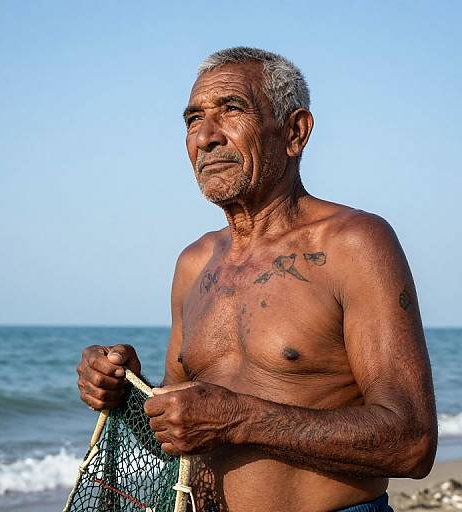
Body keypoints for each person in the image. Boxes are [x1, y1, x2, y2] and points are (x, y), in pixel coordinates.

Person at [76, 47, 437, 512]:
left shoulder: (354, 244)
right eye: (192, 119)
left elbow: (411, 441)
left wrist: (238, 418)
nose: (205, 137)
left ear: (294, 132)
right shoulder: (194, 263)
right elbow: (174, 436)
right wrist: (124, 389)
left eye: (231, 110)